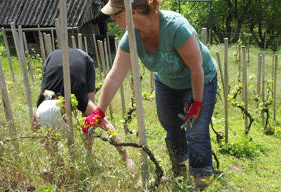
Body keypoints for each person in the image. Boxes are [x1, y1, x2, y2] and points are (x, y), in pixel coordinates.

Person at [83, 0, 218, 188]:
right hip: (166, 83)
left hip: (199, 80)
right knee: (171, 127)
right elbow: (115, 76)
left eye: (116, 12)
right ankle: (179, 168)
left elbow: (197, 69)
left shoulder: (175, 28)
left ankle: (201, 180)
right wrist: (99, 112)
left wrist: (196, 104)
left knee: (195, 129)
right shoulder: (131, 37)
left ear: (134, 12)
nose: (112, 17)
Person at [31, 48, 135, 170]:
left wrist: (126, 159)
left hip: (83, 59)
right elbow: (34, 127)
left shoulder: (79, 97)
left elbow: (105, 124)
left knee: (89, 120)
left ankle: (89, 153)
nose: (64, 122)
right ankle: (54, 159)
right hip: (52, 58)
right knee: (47, 128)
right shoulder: (44, 102)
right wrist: (55, 154)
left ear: (64, 108)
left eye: (63, 121)